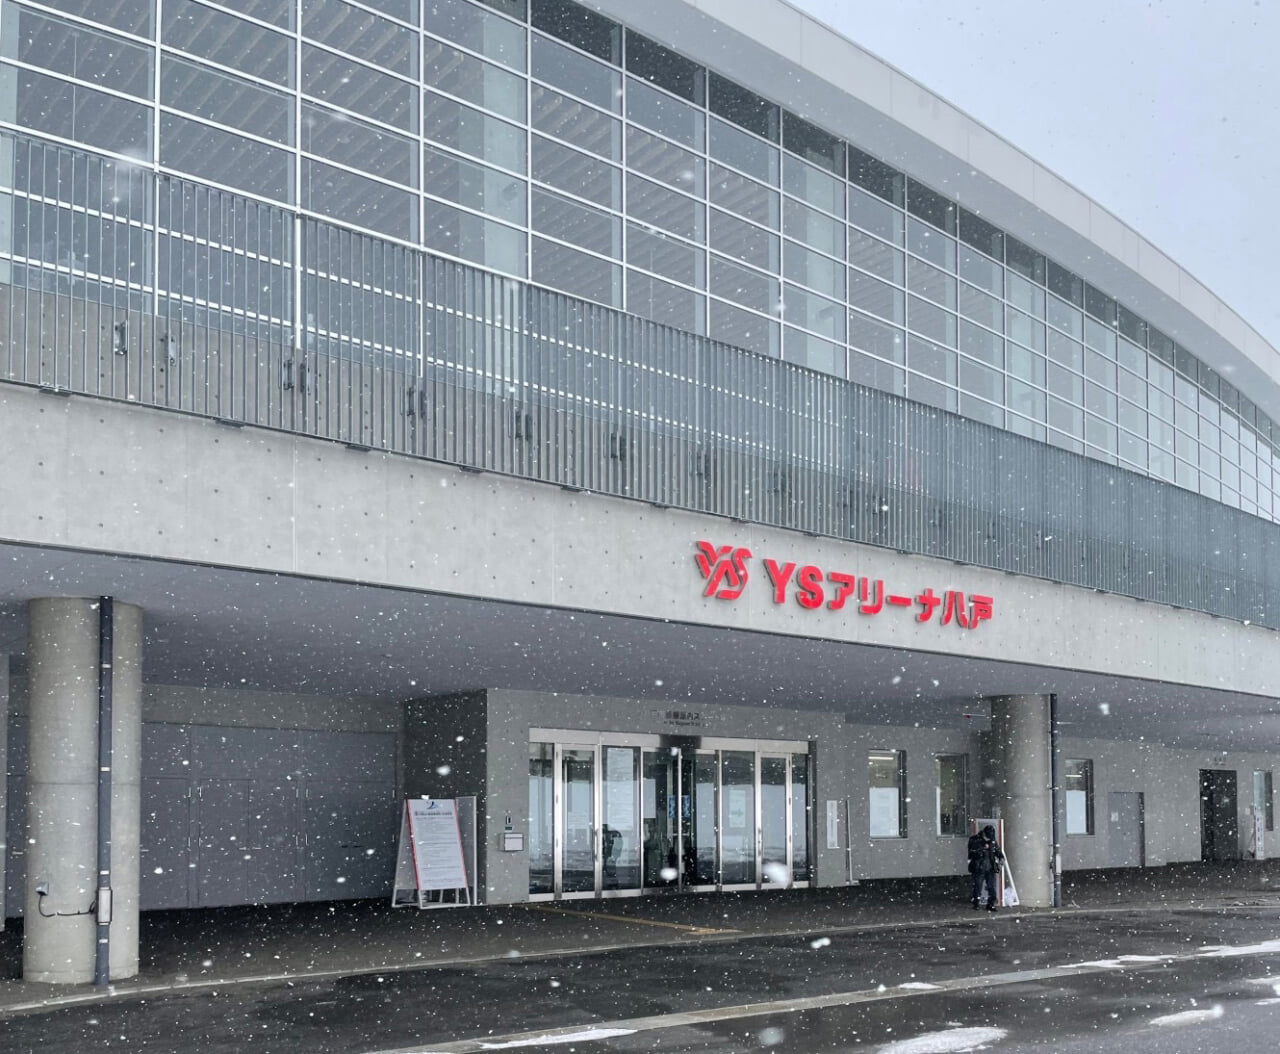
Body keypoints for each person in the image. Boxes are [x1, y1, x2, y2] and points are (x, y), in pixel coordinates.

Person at [967, 824, 1004, 911]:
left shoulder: (992, 841)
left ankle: (991, 904)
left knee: (991, 887)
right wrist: (982, 848)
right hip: (979, 867)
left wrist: (1001, 857)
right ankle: (976, 902)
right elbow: (971, 851)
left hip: (990, 867)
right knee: (978, 886)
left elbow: (997, 850)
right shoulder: (975, 840)